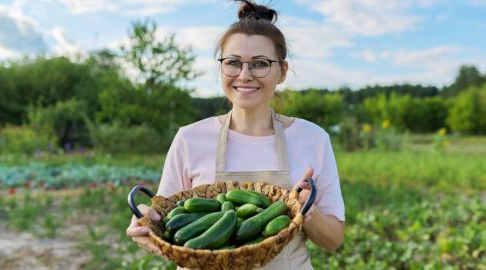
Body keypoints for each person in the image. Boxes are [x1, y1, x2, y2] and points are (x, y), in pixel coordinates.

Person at [126, 0, 345, 268]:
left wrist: (304, 208)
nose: (244, 75)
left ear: (282, 72)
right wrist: (145, 226)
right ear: (222, 68)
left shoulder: (313, 138)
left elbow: (334, 239)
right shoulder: (190, 138)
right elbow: (166, 225)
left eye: (260, 63)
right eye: (233, 63)